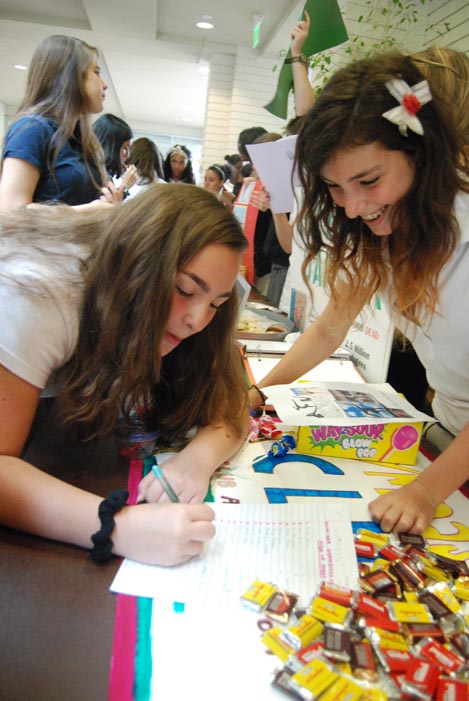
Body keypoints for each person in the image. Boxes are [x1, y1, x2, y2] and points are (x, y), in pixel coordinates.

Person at [248, 51, 469, 535]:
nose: (352, 208)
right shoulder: (383, 234)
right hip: (451, 434)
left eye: (368, 181)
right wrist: (258, 392)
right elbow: (329, 327)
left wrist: (427, 490)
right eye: (334, 188)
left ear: (422, 154)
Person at [0, 184, 249, 566]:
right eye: (184, 289)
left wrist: (196, 460)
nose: (197, 320)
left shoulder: (197, 310)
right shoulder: (40, 293)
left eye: (216, 303)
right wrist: (118, 526)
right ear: (138, 264)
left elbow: (232, 402)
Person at [0, 34, 121, 211]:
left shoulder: (81, 139)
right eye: (96, 73)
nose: (104, 85)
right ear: (71, 78)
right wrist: (86, 212)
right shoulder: (33, 129)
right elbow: (10, 211)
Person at [92, 113, 137, 198]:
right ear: (111, 147)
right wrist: (124, 187)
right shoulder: (93, 174)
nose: (127, 155)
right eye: (124, 148)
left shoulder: (102, 172)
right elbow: (108, 207)